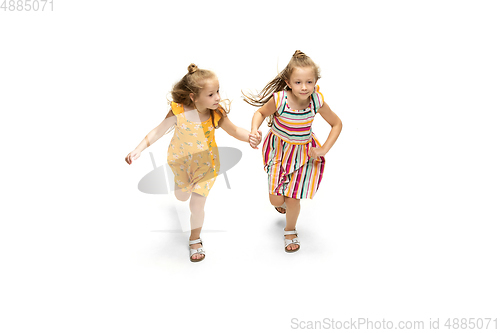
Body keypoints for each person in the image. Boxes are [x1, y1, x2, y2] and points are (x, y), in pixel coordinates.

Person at [126, 64, 261, 262]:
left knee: (196, 206)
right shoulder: (178, 111)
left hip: (206, 166)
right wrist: (138, 148)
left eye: (217, 92)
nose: (217, 98)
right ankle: (181, 185)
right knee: (181, 197)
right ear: (193, 97)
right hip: (179, 161)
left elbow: (234, 130)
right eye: (210, 94)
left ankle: (195, 239)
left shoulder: (215, 113)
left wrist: (250, 136)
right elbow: (158, 131)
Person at [245, 50, 342, 253]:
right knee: (276, 199)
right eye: (298, 82)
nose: (304, 87)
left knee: (293, 198)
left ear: (315, 82)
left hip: (303, 154)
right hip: (279, 151)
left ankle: (290, 230)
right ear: (288, 82)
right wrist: (255, 129)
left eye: (309, 82)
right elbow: (261, 112)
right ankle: (281, 204)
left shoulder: (317, 100)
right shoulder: (280, 99)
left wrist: (323, 149)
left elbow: (336, 124)